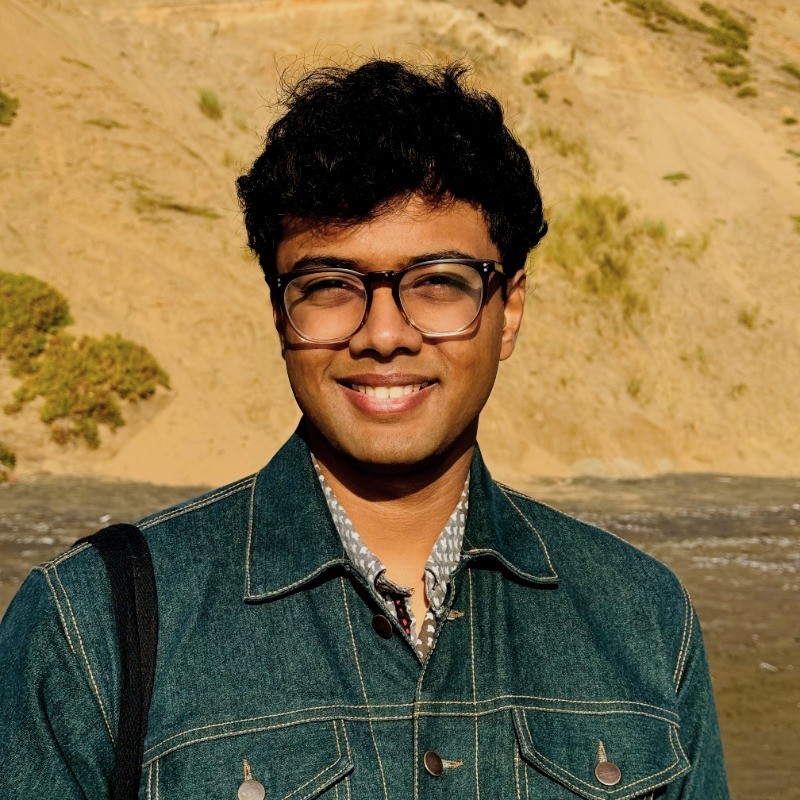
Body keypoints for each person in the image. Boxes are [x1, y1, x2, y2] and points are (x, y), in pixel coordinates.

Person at [0, 60, 728, 799]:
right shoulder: (92, 626)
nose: (384, 334)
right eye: (329, 287)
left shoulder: (642, 616)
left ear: (508, 311)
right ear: (281, 315)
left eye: (438, 282)